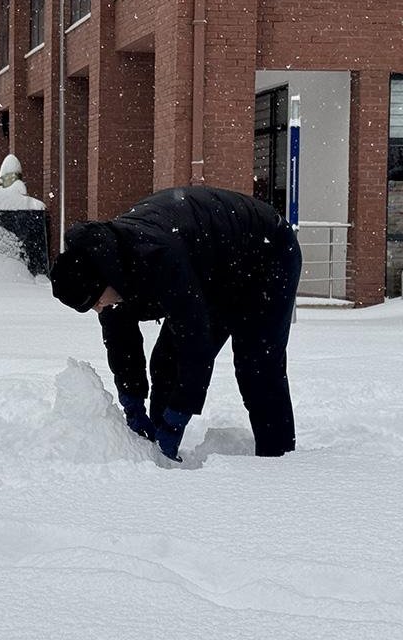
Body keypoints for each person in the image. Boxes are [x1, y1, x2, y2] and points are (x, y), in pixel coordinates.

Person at [49, 186, 302, 461]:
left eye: (96, 301)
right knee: (166, 361)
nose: (99, 309)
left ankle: (278, 459)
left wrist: (179, 415)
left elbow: (195, 343)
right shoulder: (108, 267)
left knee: (257, 364)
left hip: (265, 252)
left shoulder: (157, 258)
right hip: (211, 267)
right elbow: (122, 342)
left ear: (103, 281)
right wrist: (132, 402)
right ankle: (160, 451)